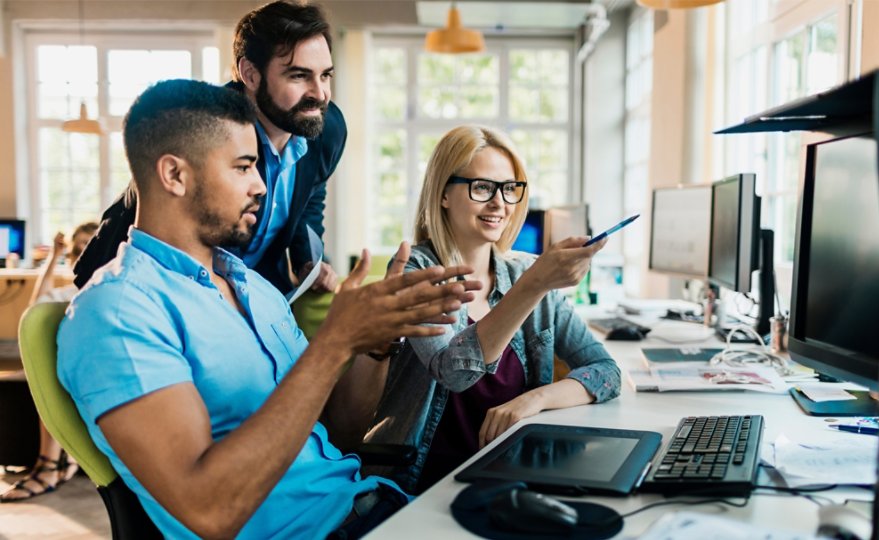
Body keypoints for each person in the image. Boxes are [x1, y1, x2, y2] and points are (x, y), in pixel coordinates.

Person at [57, 79, 478, 539]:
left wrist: (370, 348)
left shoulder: (253, 287)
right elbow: (209, 510)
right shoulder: (117, 313)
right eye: (243, 167)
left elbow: (337, 433)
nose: (261, 185)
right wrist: (334, 343)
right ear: (174, 175)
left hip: (373, 506)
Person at [364, 125, 622, 493]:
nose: (499, 203)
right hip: (423, 484)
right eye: (482, 187)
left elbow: (607, 373)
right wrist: (534, 285)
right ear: (443, 195)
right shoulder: (416, 271)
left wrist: (536, 399)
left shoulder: (527, 272)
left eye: (509, 189)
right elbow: (453, 372)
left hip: (513, 477)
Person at [74, 0, 344, 295]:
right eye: (299, 75)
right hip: (175, 289)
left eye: (325, 75)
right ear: (251, 74)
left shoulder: (327, 129)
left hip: (261, 291)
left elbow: (310, 196)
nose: (320, 94)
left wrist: (308, 262)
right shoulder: (208, 125)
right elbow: (149, 209)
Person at [0, 223, 96, 503]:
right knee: (51, 356)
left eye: (87, 244)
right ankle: (53, 463)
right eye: (77, 246)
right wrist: (55, 256)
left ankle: (52, 465)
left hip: (89, 363)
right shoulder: (65, 292)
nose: (81, 250)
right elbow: (35, 307)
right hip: (64, 361)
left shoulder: (106, 286)